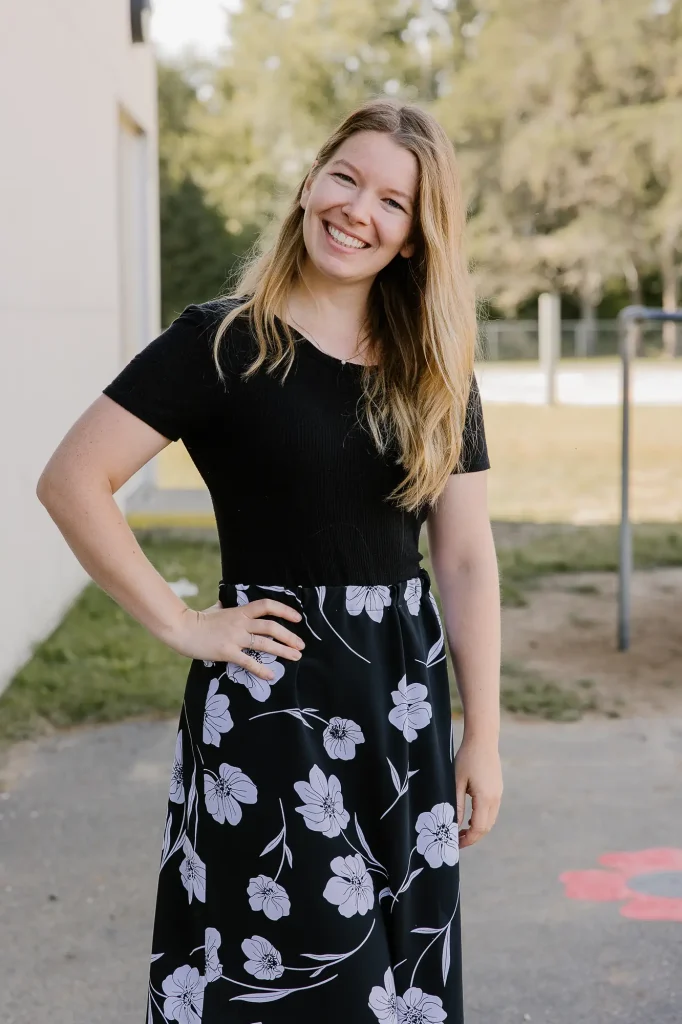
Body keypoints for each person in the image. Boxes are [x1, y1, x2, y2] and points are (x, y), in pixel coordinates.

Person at [37, 98, 502, 1024]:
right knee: (289, 977)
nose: (358, 210)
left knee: (396, 977)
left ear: (416, 236)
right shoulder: (221, 340)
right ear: (307, 183)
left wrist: (482, 734)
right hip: (270, 707)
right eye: (345, 179)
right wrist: (181, 622)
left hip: (401, 708)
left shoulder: (436, 367)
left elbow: (465, 559)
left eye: (393, 202)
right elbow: (72, 481)